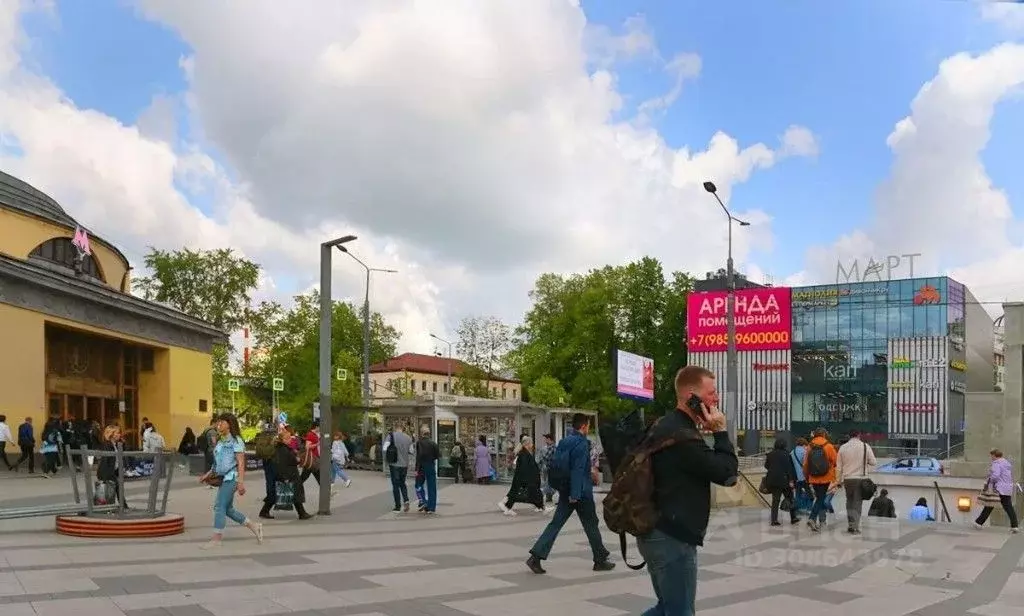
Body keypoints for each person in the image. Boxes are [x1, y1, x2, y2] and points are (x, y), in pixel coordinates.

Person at [635, 366, 738, 616]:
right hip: (672, 538)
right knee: (680, 612)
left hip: (658, 531)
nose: (716, 399)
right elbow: (728, 474)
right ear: (691, 395)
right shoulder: (681, 437)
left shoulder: (665, 425)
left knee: (667, 609)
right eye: (711, 393)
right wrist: (721, 432)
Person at [526, 413, 615, 575]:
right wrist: (576, 493)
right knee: (591, 524)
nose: (588, 428)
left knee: (556, 524)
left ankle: (536, 556)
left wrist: (566, 491)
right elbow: (577, 470)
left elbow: (560, 465)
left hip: (565, 489)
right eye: (588, 425)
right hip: (580, 492)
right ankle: (600, 559)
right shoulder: (581, 444)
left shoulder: (564, 442)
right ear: (583, 426)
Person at [198, 412, 263, 549]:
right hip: (223, 478)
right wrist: (207, 474)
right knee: (228, 509)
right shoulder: (221, 442)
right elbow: (217, 464)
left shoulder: (236, 440)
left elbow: (240, 463)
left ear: (229, 424)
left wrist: (240, 482)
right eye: (218, 422)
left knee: (219, 506)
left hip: (232, 477)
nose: (219, 424)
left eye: (222, 422)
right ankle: (254, 526)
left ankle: (217, 539)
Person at [834, 429, 877, 535]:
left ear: (849, 436)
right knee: (857, 503)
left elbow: (838, 467)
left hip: (848, 479)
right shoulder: (865, 446)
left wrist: (838, 481)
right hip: (860, 479)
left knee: (849, 502)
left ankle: (850, 524)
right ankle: (855, 527)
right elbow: (873, 462)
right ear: (859, 435)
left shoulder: (843, 448)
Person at [499, 436, 549, 516]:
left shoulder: (525, 453)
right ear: (527, 444)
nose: (532, 445)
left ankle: (543, 508)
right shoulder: (524, 454)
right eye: (531, 443)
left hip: (524, 479)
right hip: (525, 479)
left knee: (533, 493)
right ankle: (507, 507)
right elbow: (525, 468)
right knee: (517, 494)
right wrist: (527, 478)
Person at [975, 448, 1020, 533]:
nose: (991, 458)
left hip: (998, 488)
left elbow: (995, 475)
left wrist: (989, 480)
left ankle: (979, 522)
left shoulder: (996, 463)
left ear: (994, 456)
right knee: (1007, 507)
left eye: (991, 456)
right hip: (1007, 488)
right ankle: (1015, 526)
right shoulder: (1007, 464)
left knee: (990, 504)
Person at [803, 427, 837, 532]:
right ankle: (812, 518)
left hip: (813, 477)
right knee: (820, 499)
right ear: (824, 435)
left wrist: (807, 477)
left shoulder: (809, 447)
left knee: (819, 498)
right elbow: (836, 462)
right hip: (826, 477)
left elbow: (805, 465)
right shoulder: (828, 446)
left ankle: (821, 520)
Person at [763, 438, 799, 526]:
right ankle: (793, 517)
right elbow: (789, 468)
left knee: (775, 500)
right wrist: (792, 480)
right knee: (790, 498)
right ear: (784, 445)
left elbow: (766, 466)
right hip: (785, 480)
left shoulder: (770, 454)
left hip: (773, 480)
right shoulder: (787, 454)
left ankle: (774, 520)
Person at [385, 425, 413, 513]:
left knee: (395, 485)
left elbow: (384, 447)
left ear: (396, 429)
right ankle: (406, 500)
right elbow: (411, 451)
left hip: (394, 464)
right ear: (403, 430)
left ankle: (397, 506)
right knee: (402, 483)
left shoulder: (390, 436)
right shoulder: (408, 438)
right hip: (404, 465)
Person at [414, 426, 440, 513]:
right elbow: (438, 455)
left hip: (421, 466)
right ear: (429, 434)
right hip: (431, 465)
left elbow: (418, 456)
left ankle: (423, 501)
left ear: (421, 433)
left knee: (418, 484)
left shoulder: (419, 443)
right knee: (432, 486)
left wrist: (416, 469)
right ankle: (431, 507)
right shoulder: (433, 443)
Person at [790, 437, 809, 509]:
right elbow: (806, 464)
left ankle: (797, 509)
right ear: (804, 444)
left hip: (795, 477)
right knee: (809, 493)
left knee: (797, 494)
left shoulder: (792, 452)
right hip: (804, 476)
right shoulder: (805, 452)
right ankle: (809, 509)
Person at [539, 433, 556, 503]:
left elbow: (545, 457)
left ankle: (540, 495)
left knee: (549, 483)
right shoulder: (545, 447)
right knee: (547, 483)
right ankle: (548, 497)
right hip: (546, 468)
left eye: (546, 439)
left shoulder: (553, 447)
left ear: (549, 439)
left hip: (550, 468)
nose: (545, 440)